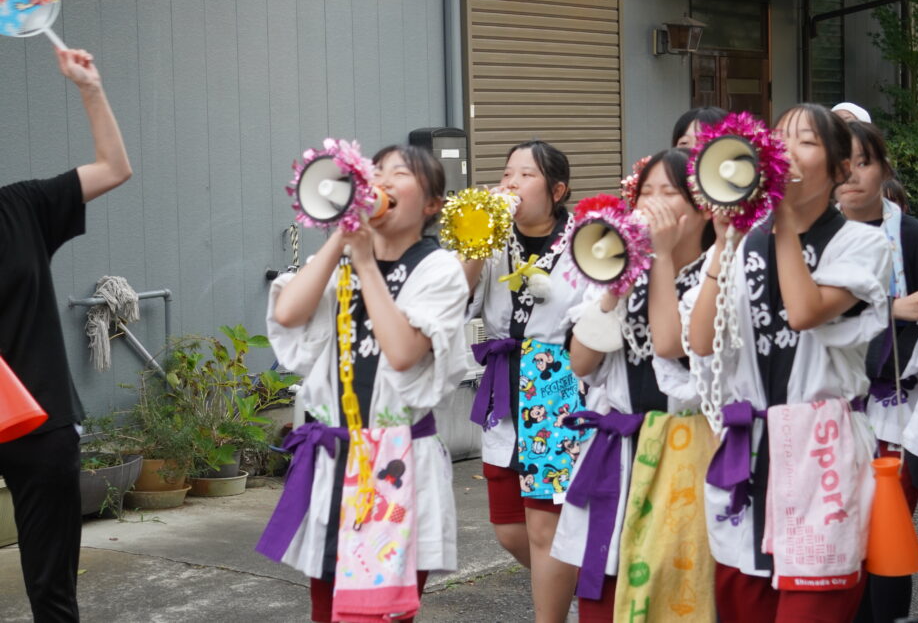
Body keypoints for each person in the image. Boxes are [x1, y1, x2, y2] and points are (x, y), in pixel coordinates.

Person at [688, 104, 890, 622]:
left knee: (812, 607)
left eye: (806, 142)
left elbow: (804, 313)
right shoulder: (745, 241)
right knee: (744, 604)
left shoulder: (862, 243)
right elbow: (700, 339)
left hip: (820, 449)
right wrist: (722, 238)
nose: (785, 151)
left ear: (841, 169)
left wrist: (779, 219)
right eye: (778, 138)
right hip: (746, 450)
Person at [259, 145, 467, 622]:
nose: (385, 182)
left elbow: (403, 351)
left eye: (402, 173)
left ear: (432, 204)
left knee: (377, 614)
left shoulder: (438, 269)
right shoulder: (345, 255)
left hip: (397, 463)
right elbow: (289, 312)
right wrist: (340, 238)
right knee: (325, 607)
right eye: (377, 173)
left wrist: (366, 264)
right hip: (334, 459)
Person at [552, 148, 714, 621]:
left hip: (691, 450)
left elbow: (674, 347)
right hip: (619, 451)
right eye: (647, 193)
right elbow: (580, 363)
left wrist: (658, 258)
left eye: (670, 192)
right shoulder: (622, 270)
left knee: (678, 586)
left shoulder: (719, 272)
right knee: (605, 587)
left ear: (702, 205)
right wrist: (614, 287)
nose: (656, 204)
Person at [0, 47, 132, 622]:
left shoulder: (20, 207)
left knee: (52, 596)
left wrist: (90, 88)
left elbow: (113, 168)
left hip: (38, 422)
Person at [836, 120, 918, 622]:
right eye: (841, 164)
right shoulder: (808, 237)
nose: (851, 175)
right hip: (824, 412)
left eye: (864, 162)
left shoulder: (916, 239)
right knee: (832, 538)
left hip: (896, 411)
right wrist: (891, 308)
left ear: (884, 169)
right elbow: (799, 317)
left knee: (885, 539)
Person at [462, 140, 586, 623]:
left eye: (526, 175)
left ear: (558, 189)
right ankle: (574, 581)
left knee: (544, 525)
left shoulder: (585, 241)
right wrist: (477, 236)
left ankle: (550, 612)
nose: (512, 183)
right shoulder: (491, 239)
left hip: (556, 385)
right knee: (509, 529)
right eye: (507, 173)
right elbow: (457, 299)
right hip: (503, 385)